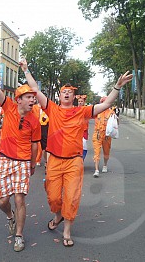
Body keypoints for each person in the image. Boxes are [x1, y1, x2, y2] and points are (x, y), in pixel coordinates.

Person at [21, 58, 132, 247]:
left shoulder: (82, 112)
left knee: (71, 197)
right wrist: (25, 70)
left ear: (74, 97)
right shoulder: (52, 109)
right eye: (63, 92)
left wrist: (117, 87)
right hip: (55, 160)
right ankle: (57, 217)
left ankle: (67, 231)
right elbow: (35, 90)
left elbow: (105, 106)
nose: (66, 94)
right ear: (59, 95)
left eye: (69, 92)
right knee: (54, 197)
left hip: (74, 161)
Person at [0, 58, 41, 252]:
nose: (32, 100)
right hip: (4, 159)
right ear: (19, 99)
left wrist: (33, 164)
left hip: (23, 162)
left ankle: (19, 235)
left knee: (20, 199)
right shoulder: (8, 107)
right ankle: (10, 217)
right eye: (29, 97)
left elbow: (35, 144)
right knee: (2, 200)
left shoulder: (34, 120)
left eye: (33, 98)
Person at [92, 97, 118, 177]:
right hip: (97, 134)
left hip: (107, 136)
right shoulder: (97, 111)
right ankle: (96, 170)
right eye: (102, 102)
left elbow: (116, 124)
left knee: (106, 152)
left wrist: (116, 119)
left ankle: (105, 165)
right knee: (96, 152)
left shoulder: (111, 112)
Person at [76, 95, 89, 161]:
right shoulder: (74, 109)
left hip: (84, 131)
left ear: (84, 102)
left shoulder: (87, 110)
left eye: (81, 101)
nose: (80, 102)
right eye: (79, 101)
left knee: (84, 146)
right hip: (76, 131)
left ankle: (81, 160)